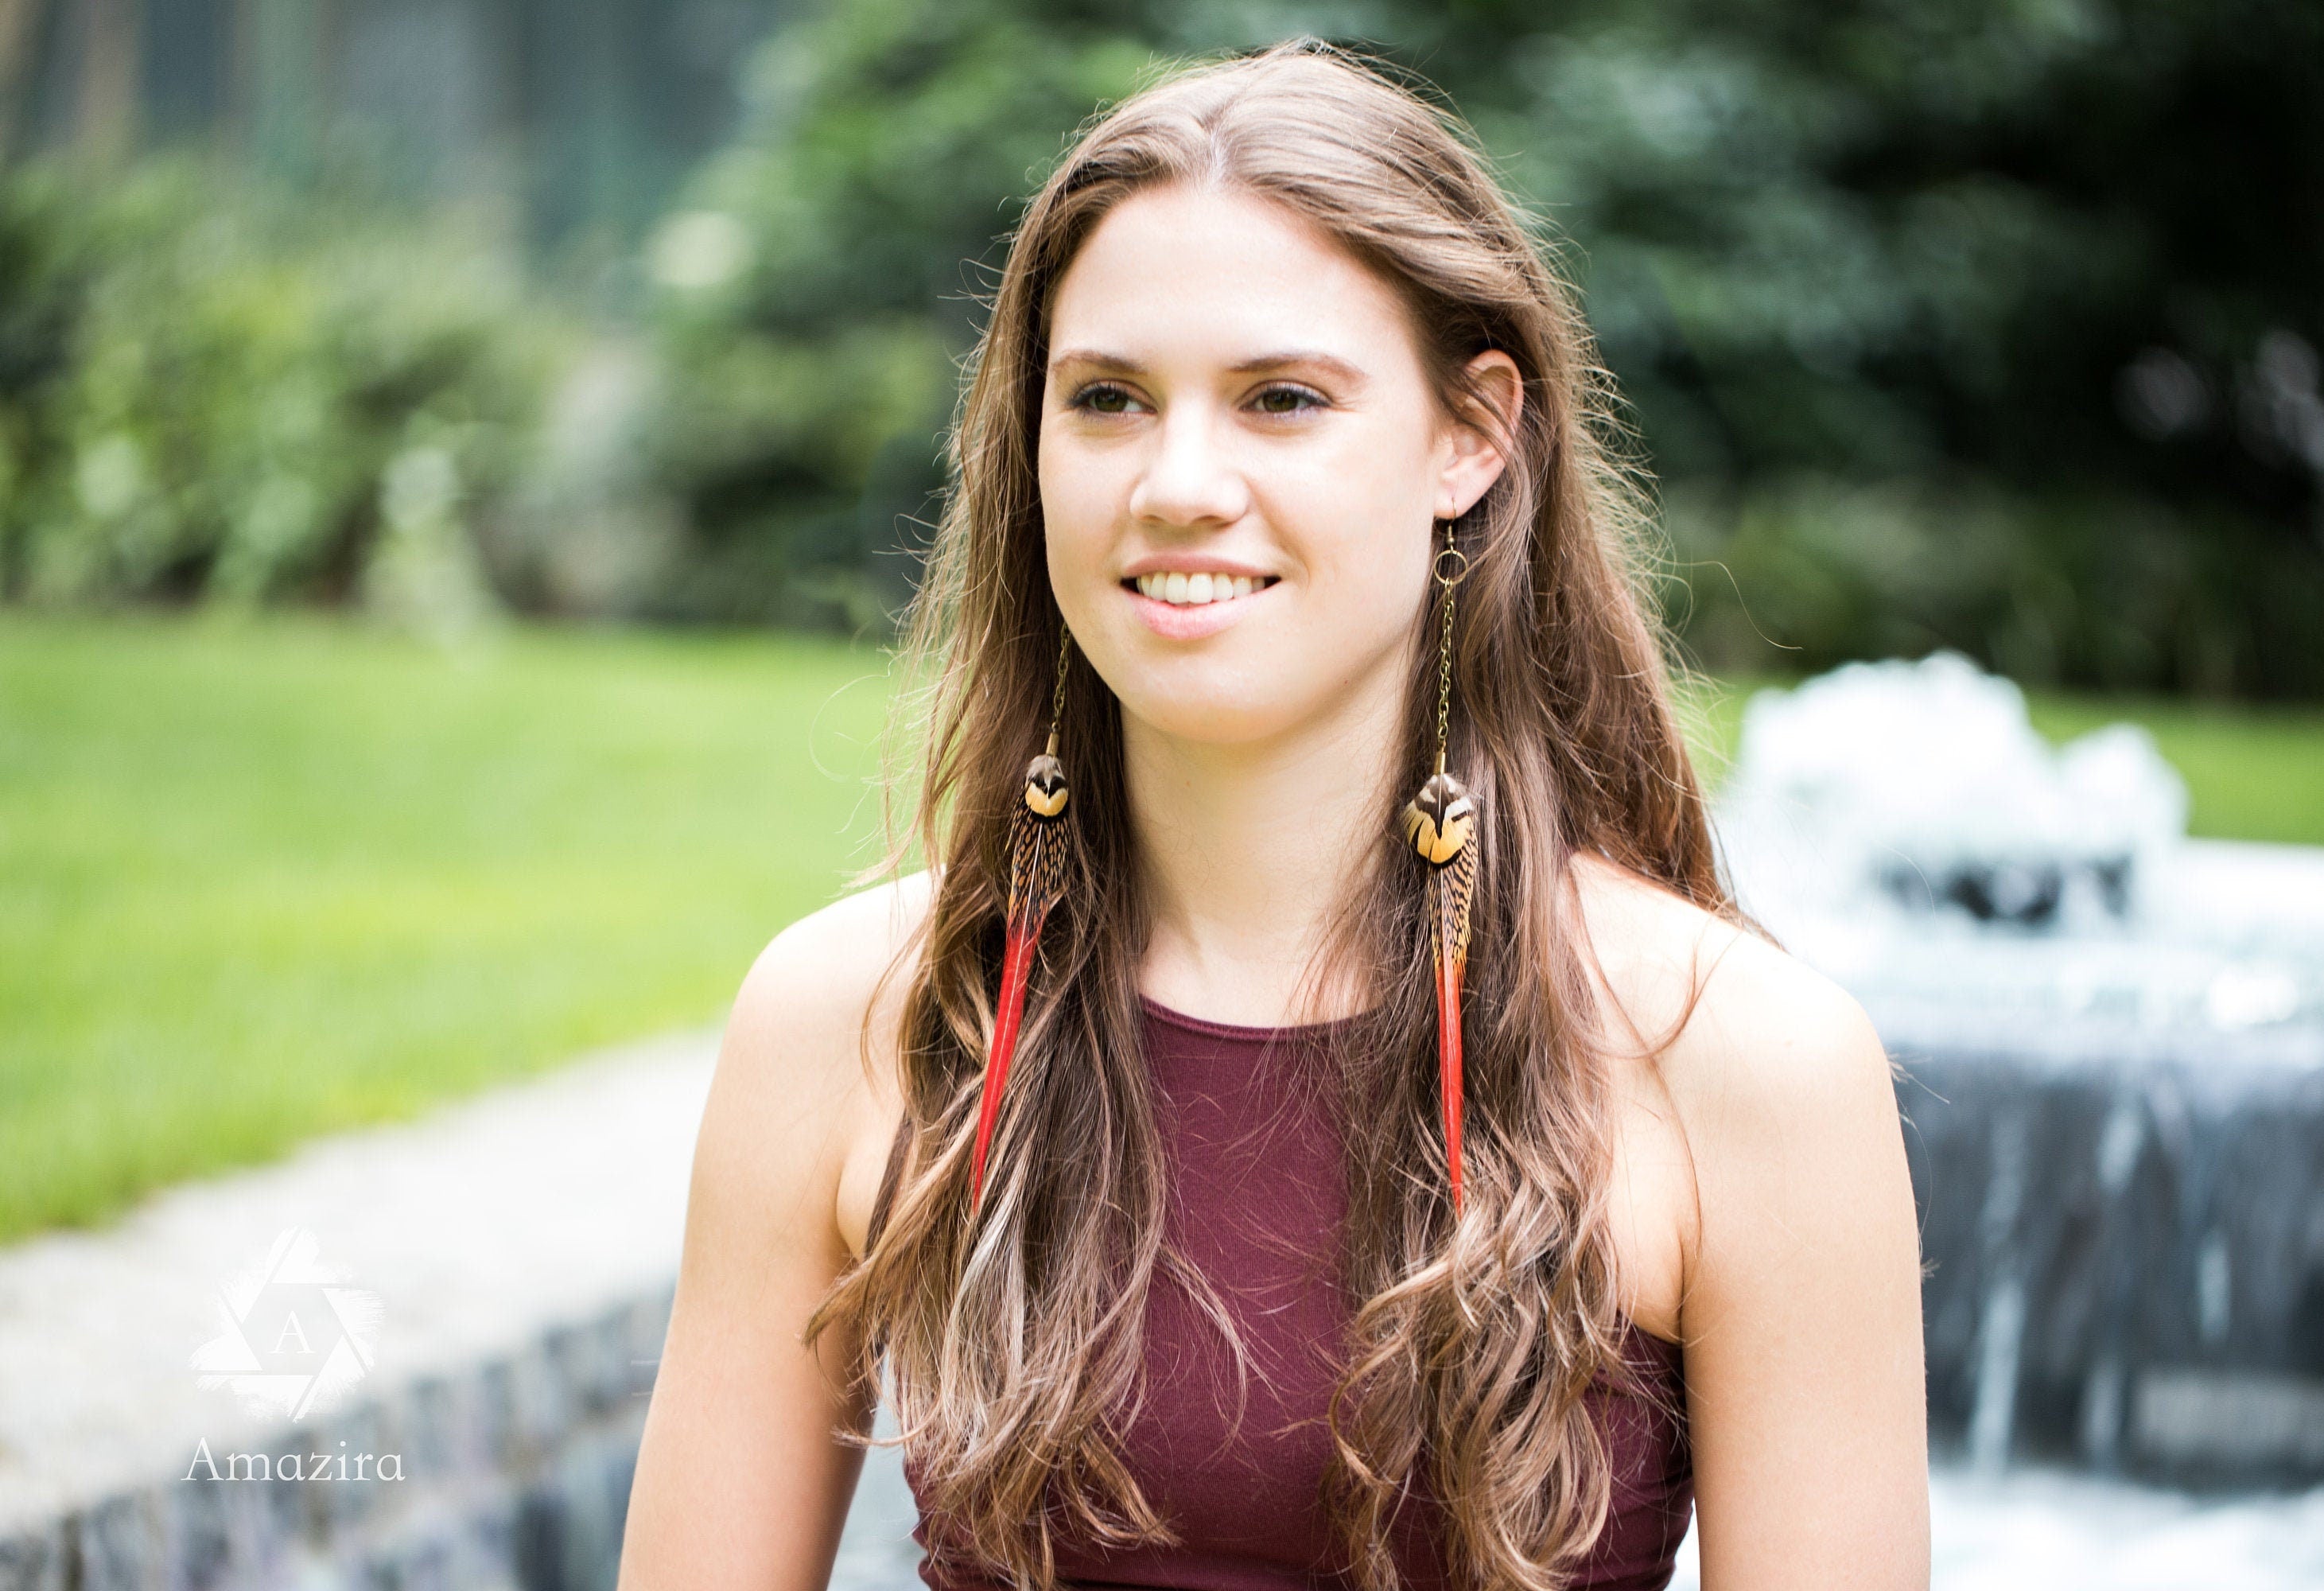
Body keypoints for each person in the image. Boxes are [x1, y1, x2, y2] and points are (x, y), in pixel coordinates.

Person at [618, 37, 1928, 1591]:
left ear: (1471, 436)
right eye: (1106, 398)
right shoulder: (853, 1023)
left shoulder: (1744, 1065)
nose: (1178, 480)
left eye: (1281, 398)